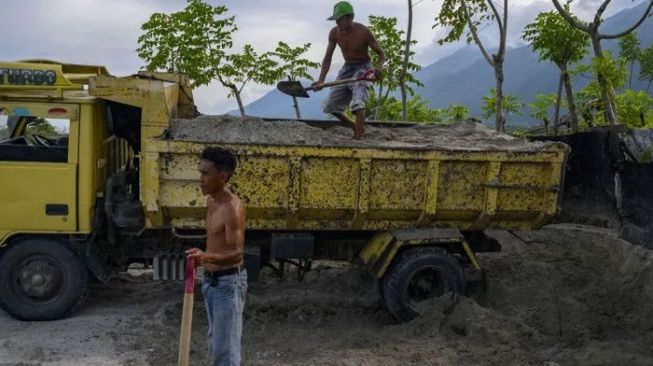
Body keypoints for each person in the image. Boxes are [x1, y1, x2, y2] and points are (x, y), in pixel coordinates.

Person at [186, 147, 247, 366]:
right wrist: (203, 256)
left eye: (205, 174)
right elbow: (215, 241)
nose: (200, 180)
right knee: (216, 343)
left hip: (228, 284)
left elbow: (236, 252)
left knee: (226, 352)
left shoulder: (232, 208)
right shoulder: (212, 201)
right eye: (200, 172)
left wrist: (206, 257)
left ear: (222, 177)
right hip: (211, 282)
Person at [312, 1, 385, 140]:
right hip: (347, 68)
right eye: (336, 20)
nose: (338, 23)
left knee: (358, 102)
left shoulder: (363, 32)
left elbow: (381, 54)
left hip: (364, 68)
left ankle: (358, 138)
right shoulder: (334, 33)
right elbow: (327, 58)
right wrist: (321, 80)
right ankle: (356, 126)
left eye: (340, 19)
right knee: (330, 106)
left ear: (350, 17)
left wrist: (377, 68)